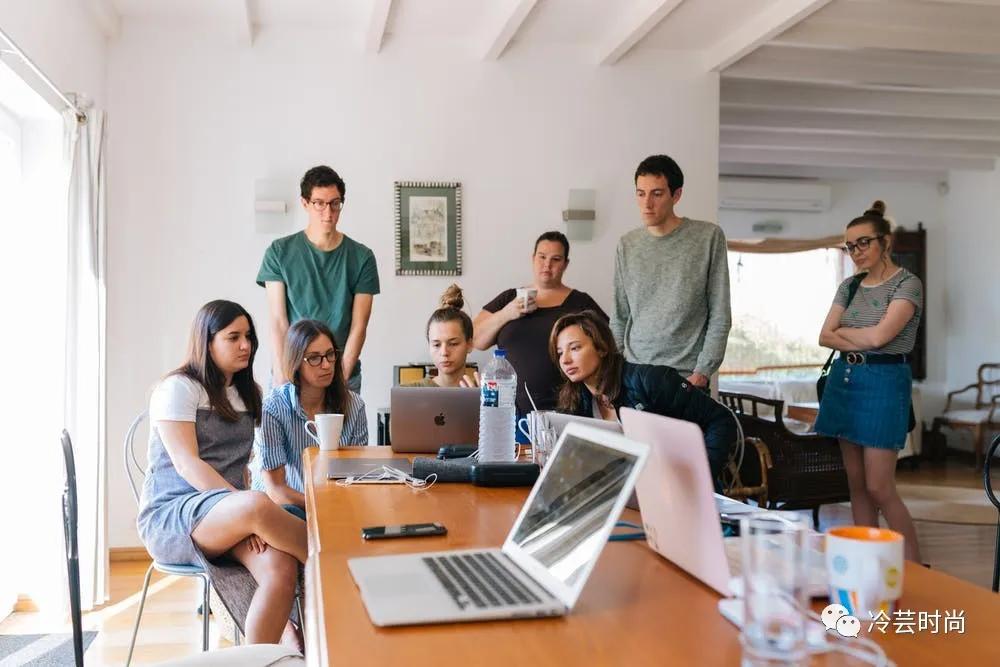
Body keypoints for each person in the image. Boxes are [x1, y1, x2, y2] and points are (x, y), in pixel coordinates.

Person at [137, 300, 306, 647]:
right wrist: (245, 510)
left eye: (249, 337)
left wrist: (244, 514)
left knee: (280, 568)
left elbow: (240, 467)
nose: (246, 345)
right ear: (207, 340)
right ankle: (338, 564)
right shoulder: (179, 388)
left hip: (230, 514)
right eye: (233, 337)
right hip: (175, 515)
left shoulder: (248, 394)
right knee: (260, 505)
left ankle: (260, 656)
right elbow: (188, 464)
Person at [816, 200, 922, 562]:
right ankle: (867, 562)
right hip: (845, 380)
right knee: (857, 486)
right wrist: (857, 334)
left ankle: (914, 567)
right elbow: (824, 336)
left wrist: (847, 332)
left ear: (885, 242)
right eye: (849, 246)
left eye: (864, 243)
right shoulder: (849, 285)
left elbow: (881, 339)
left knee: (880, 486)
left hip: (885, 383)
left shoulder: (908, 284)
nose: (856, 251)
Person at [550, 310, 736, 484]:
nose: (565, 360)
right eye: (560, 353)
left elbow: (721, 419)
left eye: (574, 348)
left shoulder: (651, 381)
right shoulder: (576, 401)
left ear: (601, 348)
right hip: (629, 492)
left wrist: (701, 477)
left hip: (678, 489)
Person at [612, 155, 731, 390]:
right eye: (640, 193)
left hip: (686, 378)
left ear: (676, 195)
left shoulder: (708, 237)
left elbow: (720, 314)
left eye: (657, 194)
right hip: (635, 374)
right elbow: (619, 316)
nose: (647, 204)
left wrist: (703, 372)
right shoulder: (627, 244)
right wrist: (613, 371)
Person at [257, 165, 380, 392]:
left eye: (335, 203)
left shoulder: (362, 257)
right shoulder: (279, 252)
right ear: (305, 203)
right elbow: (278, 320)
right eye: (319, 203)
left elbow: (359, 326)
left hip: (341, 373)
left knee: (341, 429)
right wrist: (283, 375)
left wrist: (340, 380)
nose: (328, 212)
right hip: (292, 372)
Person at [474, 231, 607, 415]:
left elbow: (607, 346)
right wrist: (507, 313)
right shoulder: (509, 298)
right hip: (509, 411)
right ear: (533, 258)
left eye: (556, 259)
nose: (547, 265)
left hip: (568, 408)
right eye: (542, 257)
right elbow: (475, 339)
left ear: (565, 264)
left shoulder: (580, 302)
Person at [251, 319, 368, 518]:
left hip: (337, 504)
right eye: (314, 358)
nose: (326, 365)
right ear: (296, 363)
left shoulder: (354, 405)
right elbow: (276, 491)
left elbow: (357, 476)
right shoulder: (273, 407)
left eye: (330, 355)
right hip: (285, 508)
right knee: (292, 513)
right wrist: (322, 504)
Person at [404, 285, 478, 388]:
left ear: (469, 344)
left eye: (453, 344)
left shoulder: (483, 393)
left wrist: (479, 402)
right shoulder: (408, 392)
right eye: (436, 345)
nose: (444, 353)